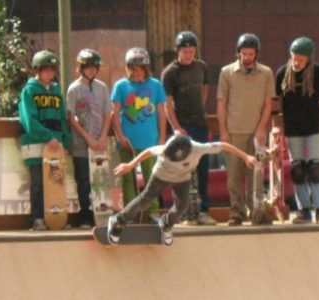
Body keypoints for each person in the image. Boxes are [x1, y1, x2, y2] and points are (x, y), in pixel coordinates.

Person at [107, 135, 256, 245]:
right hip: (161, 175)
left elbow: (224, 146)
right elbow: (148, 152)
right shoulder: (165, 149)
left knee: (182, 207)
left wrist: (246, 156)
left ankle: (167, 223)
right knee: (144, 201)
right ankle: (118, 221)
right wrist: (131, 165)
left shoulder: (198, 148)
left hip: (182, 179)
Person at [216, 33, 275, 226]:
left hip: (256, 132)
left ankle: (256, 212)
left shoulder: (266, 72)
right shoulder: (227, 72)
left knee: (256, 175)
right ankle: (236, 213)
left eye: (251, 54)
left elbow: (268, 104)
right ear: (238, 53)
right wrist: (223, 130)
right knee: (233, 175)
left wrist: (261, 128)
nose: (247, 57)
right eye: (244, 54)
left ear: (256, 54)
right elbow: (221, 103)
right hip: (234, 131)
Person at [273, 37, 319, 224]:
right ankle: (304, 210)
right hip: (293, 127)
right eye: (294, 57)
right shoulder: (282, 73)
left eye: (301, 58)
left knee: (316, 169)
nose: (297, 62)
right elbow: (275, 102)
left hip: (314, 126)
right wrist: (276, 126)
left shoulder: (317, 72)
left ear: (308, 58)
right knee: (297, 170)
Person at [161, 30, 216, 225]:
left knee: (202, 169)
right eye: (185, 52)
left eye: (191, 52)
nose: (188, 55)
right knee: (182, 170)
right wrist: (176, 127)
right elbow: (167, 103)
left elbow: (205, 87)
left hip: (200, 124)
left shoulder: (201, 67)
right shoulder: (170, 72)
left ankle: (203, 210)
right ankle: (183, 211)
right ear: (178, 51)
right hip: (182, 127)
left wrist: (201, 107)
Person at [111, 47, 167, 223]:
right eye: (132, 68)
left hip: (150, 140)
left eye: (139, 68)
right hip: (128, 140)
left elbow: (161, 112)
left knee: (151, 176)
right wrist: (120, 135)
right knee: (128, 178)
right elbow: (115, 112)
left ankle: (152, 211)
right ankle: (130, 212)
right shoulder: (121, 86)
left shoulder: (156, 85)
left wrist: (162, 138)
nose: (136, 72)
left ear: (146, 68)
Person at [18, 50, 70, 231]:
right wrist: (49, 137)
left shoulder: (56, 91)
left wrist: (65, 141)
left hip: (56, 146)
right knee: (38, 183)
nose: (50, 73)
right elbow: (29, 120)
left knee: (56, 182)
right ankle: (37, 218)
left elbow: (63, 118)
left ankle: (56, 217)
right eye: (46, 70)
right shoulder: (29, 91)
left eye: (52, 70)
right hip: (35, 145)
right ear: (37, 70)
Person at [66, 48, 112, 228]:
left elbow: (108, 113)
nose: (92, 70)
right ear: (80, 68)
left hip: (100, 142)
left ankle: (103, 213)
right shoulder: (74, 89)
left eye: (94, 67)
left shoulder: (102, 87)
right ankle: (85, 213)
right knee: (83, 178)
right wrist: (88, 138)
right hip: (81, 143)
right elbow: (71, 117)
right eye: (88, 67)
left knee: (100, 178)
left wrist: (102, 138)